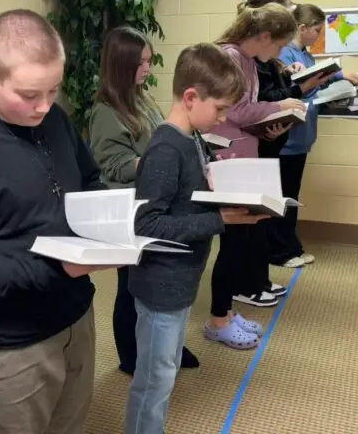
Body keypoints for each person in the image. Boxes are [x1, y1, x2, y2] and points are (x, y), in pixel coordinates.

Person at [0, 9, 116, 434]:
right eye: (30, 94)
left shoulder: (55, 119)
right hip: (8, 348)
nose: (44, 106)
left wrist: (110, 221)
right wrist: (56, 267)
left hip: (74, 318)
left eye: (54, 90)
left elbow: (86, 178)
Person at [125, 43, 268, 434]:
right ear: (191, 97)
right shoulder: (165, 149)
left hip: (181, 281)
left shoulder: (191, 140)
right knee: (154, 380)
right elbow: (146, 224)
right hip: (160, 287)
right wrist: (219, 219)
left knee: (165, 372)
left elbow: (187, 200)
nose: (223, 118)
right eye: (219, 109)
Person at [88, 26, 199, 376]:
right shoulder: (106, 110)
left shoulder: (141, 97)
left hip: (151, 202)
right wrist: (161, 162)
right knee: (130, 286)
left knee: (154, 284)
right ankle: (130, 357)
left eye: (149, 61)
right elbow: (114, 165)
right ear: (123, 64)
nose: (149, 69)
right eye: (143, 62)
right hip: (127, 209)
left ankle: (167, 346)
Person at [204, 3, 304, 353]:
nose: (278, 53)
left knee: (242, 241)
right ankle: (218, 319)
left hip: (243, 152)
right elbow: (236, 110)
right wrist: (282, 106)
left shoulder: (246, 60)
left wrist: (275, 117)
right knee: (233, 244)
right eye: (278, 45)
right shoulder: (231, 57)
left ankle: (227, 313)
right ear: (264, 36)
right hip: (228, 156)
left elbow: (246, 110)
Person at [272, 4, 358, 268]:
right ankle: (281, 252)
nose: (319, 35)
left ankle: (290, 246)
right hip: (287, 140)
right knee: (283, 197)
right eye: (317, 29)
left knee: (291, 195)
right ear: (301, 28)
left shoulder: (305, 55)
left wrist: (340, 80)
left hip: (301, 139)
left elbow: (317, 79)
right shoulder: (286, 55)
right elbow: (295, 90)